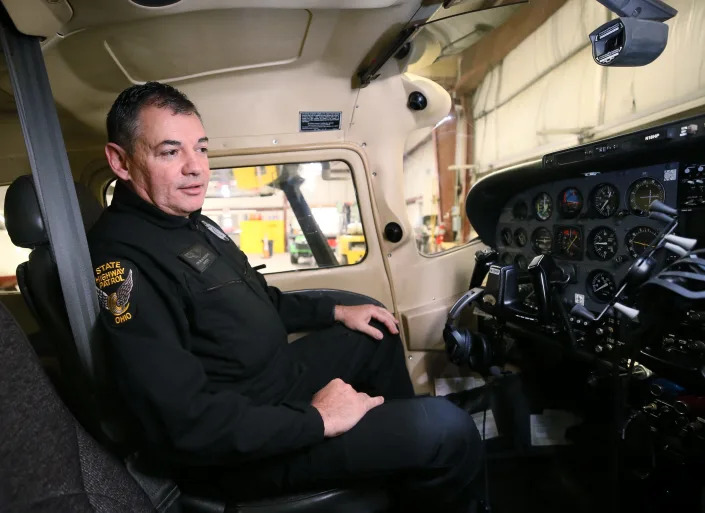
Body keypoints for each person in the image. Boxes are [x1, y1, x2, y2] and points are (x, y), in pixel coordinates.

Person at [88, 82, 483, 512]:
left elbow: (259, 300)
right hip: (241, 451)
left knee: (375, 331)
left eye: (200, 149)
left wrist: (335, 309)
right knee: (447, 429)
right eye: (170, 152)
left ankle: (401, 469)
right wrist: (319, 419)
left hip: (271, 386)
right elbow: (186, 423)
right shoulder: (124, 260)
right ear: (120, 161)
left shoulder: (187, 222)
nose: (196, 168)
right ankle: (418, 447)